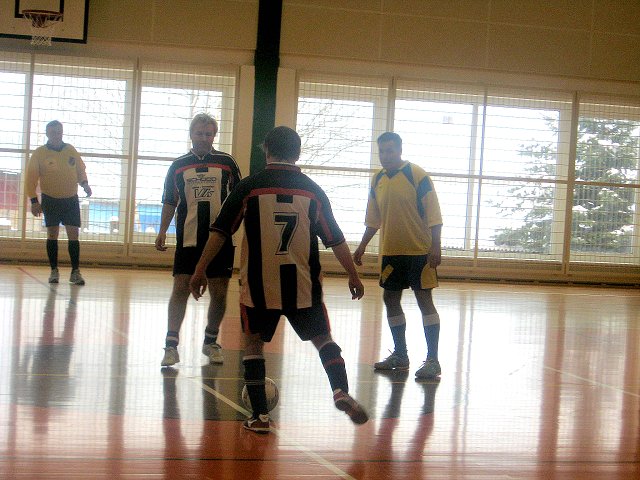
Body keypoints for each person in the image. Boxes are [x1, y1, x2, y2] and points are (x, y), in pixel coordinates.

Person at [189, 126, 369, 433]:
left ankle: (260, 417)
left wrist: (199, 269)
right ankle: (340, 390)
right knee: (323, 340)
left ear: (266, 150)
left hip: (260, 285)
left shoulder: (249, 188)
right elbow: (335, 239)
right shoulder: (312, 190)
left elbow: (220, 232)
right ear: (297, 153)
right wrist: (353, 274)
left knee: (253, 345)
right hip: (303, 285)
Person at [353, 132, 443, 380]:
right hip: (392, 254)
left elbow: (434, 214)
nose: (385, 156)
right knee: (390, 298)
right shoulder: (377, 180)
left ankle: (433, 360)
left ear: (400, 150)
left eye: (390, 150)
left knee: (424, 300)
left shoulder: (417, 175)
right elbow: (373, 220)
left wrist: (435, 245)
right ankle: (401, 355)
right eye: (382, 151)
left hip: (419, 252)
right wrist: (362, 246)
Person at [156, 113, 241, 367]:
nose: (203, 138)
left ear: (214, 136)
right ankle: (171, 345)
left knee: (220, 291)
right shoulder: (178, 166)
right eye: (199, 133)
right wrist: (162, 231)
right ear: (191, 134)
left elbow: (239, 198)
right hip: (189, 239)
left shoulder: (227, 162)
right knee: (180, 288)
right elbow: (170, 201)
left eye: (208, 134)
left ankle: (211, 341)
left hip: (220, 240)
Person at [25, 120, 92, 285]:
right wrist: (34, 201)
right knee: (52, 234)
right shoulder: (40, 153)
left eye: (59, 131)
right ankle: (54, 271)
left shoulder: (70, 150)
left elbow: (80, 170)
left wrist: (85, 184)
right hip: (50, 199)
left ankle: (75, 272)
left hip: (70, 200)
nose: (57, 135)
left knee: (73, 235)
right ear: (47, 134)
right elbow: (30, 179)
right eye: (53, 132)